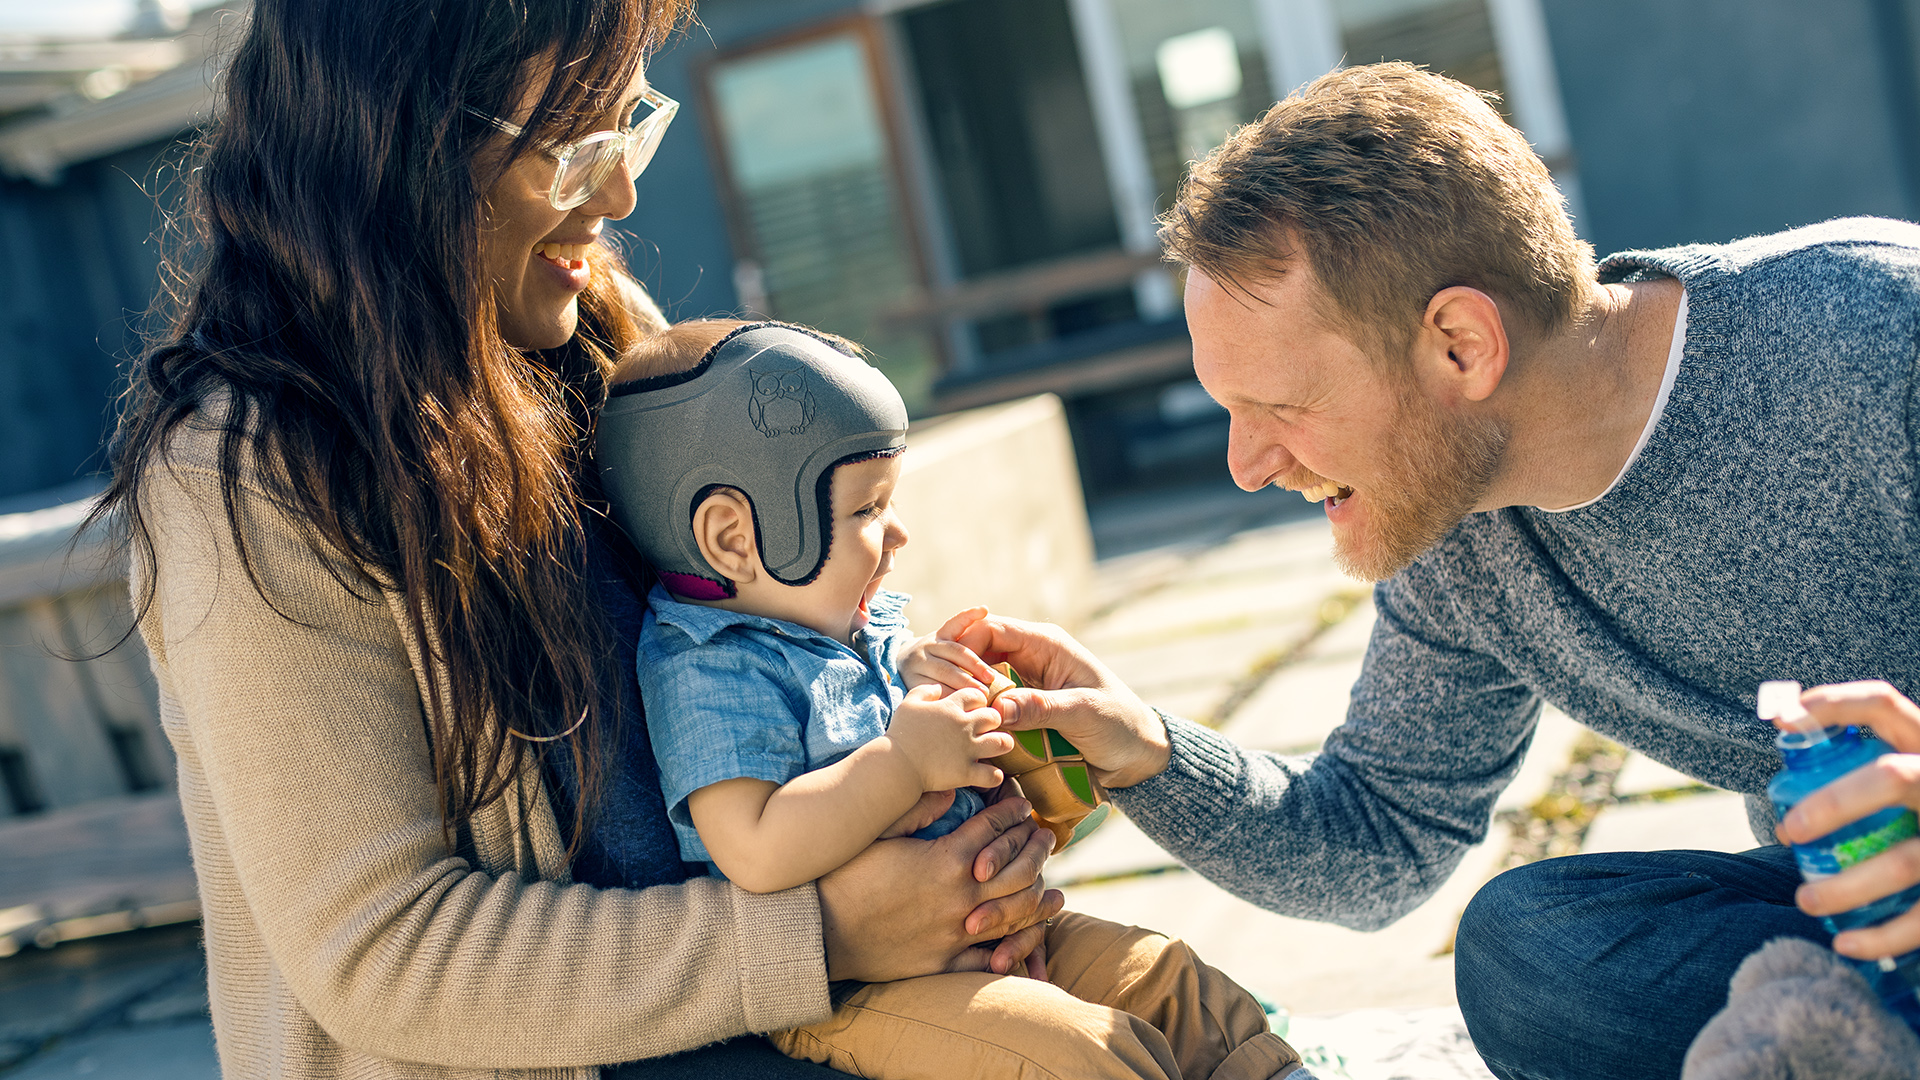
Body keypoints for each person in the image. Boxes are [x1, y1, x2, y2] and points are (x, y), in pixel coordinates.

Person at [93, 3, 1059, 1078]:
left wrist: (937, 774)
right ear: (400, 141)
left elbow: (765, 653)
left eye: (628, 127)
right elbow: (385, 950)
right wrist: (827, 931)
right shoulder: (250, 473)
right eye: (572, 150)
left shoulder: (599, 343)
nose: (621, 194)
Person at [932, 62, 1920, 1080]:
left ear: (1459, 345)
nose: (1246, 463)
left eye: (1280, 407)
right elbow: (1374, 844)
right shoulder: (1460, 535)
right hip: (1870, 915)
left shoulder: (1876, 333)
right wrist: (1147, 752)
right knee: (1530, 952)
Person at [595, 318, 1306, 1080]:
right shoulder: (708, 667)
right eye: (865, 510)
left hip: (1003, 936)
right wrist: (903, 758)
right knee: (1073, 1056)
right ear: (733, 537)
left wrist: (992, 723)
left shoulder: (862, 626)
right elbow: (757, 849)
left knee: (1174, 985)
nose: (897, 532)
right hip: (859, 994)